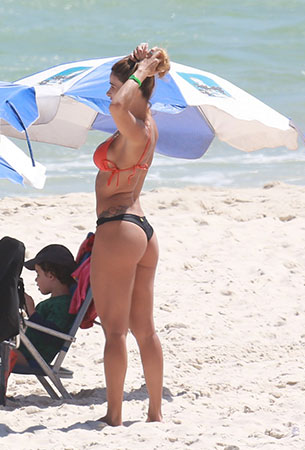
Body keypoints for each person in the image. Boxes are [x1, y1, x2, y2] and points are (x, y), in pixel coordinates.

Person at [90, 42, 170, 426]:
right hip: (142, 231)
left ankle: (115, 415)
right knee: (145, 330)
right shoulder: (148, 123)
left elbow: (119, 105)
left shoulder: (134, 128)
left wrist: (140, 72)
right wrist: (144, 61)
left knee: (116, 332)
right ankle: (154, 411)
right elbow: (128, 103)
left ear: (132, 87)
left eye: (112, 84)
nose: (108, 92)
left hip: (118, 228)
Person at [13, 244, 77, 370]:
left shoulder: (63, 305)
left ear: (51, 275)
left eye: (38, 274)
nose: (36, 280)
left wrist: (31, 312)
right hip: (27, 352)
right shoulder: (57, 302)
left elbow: (51, 334)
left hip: (32, 357)